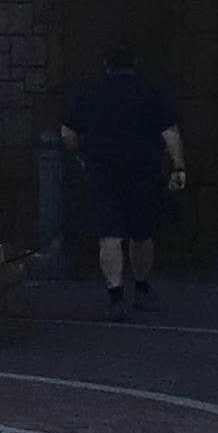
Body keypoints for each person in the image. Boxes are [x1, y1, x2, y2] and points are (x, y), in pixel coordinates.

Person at [61, 47, 186, 314]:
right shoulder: (150, 92)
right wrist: (178, 167)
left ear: (105, 64)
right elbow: (170, 133)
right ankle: (141, 288)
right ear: (135, 63)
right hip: (143, 172)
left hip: (102, 172)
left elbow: (67, 133)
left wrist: (82, 156)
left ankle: (116, 296)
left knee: (109, 235)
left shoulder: (90, 93)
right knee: (142, 234)